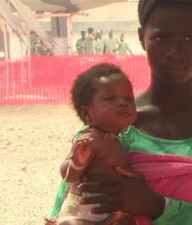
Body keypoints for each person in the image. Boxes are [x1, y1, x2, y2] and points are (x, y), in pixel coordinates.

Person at [49, 0, 192, 224]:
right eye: (161, 38)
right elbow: (65, 209)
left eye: (189, 38)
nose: (175, 52)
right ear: (143, 37)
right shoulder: (109, 123)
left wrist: (157, 206)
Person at [55, 63, 138, 225]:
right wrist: (77, 163)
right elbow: (67, 175)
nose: (123, 103)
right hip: (81, 211)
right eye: (110, 99)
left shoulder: (118, 139)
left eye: (129, 98)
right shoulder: (90, 139)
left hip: (107, 212)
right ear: (87, 114)